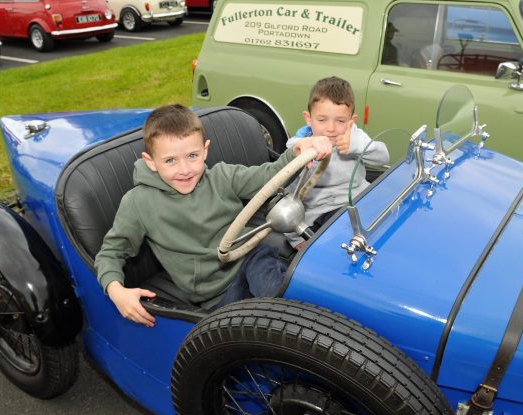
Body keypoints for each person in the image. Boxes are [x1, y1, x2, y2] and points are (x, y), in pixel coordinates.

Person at [94, 104, 331, 327]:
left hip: (250, 258)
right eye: (170, 161)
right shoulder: (138, 203)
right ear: (151, 162)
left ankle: (316, 327)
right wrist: (117, 291)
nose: (185, 169)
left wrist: (295, 152)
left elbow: (267, 176)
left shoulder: (222, 177)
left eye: (192, 156)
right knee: (245, 329)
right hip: (214, 294)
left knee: (280, 297)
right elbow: (111, 252)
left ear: (205, 150)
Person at [285, 76, 389, 249]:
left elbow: (383, 157)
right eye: (322, 119)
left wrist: (355, 146)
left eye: (340, 121)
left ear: (351, 121)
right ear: (308, 119)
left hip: (362, 198)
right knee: (350, 240)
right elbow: (289, 195)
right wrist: (295, 239)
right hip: (325, 211)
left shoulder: (354, 136)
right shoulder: (301, 150)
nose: (331, 128)